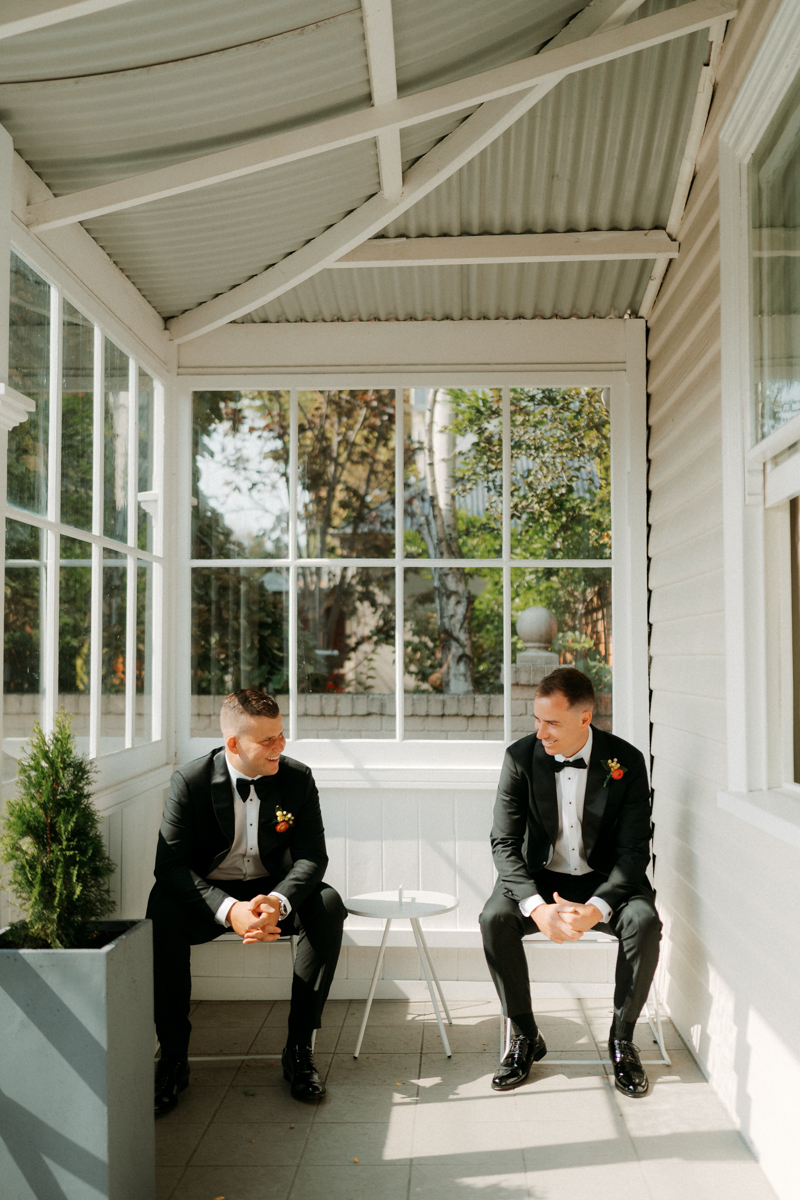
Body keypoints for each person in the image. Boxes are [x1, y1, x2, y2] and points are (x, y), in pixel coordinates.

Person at [147, 689, 346, 1115]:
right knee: (162, 907)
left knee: (328, 905)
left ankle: (298, 1050)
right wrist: (229, 910)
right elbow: (170, 866)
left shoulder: (297, 778)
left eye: (281, 735)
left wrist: (278, 902)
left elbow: (314, 857)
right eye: (267, 741)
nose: (280, 746)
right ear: (233, 744)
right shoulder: (191, 780)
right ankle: (173, 1058)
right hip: (210, 898)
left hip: (272, 893)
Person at [479, 666, 661, 1098]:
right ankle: (524, 1034)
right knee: (494, 919)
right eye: (537, 720)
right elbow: (504, 843)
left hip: (607, 879)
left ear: (585, 718)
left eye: (552, 722)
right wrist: (537, 907)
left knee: (644, 922)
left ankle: (622, 1040)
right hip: (541, 879)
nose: (540, 732)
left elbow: (635, 851)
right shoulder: (520, 757)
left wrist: (597, 908)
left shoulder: (627, 761)